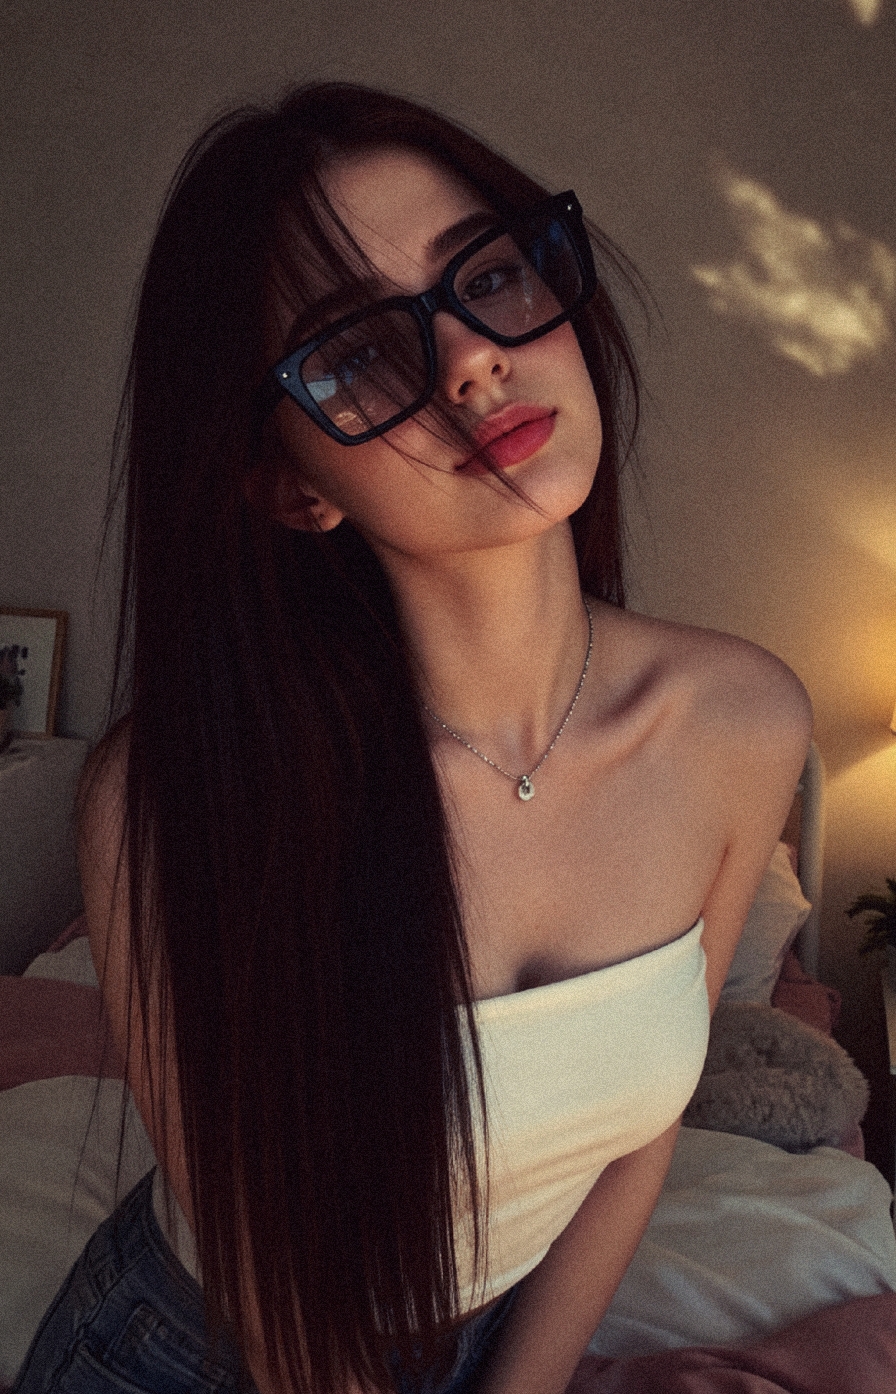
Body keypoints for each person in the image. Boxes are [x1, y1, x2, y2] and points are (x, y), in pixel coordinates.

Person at [14, 83, 812, 1394]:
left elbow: (639, 1140)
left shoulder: (742, 721)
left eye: (487, 277)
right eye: (356, 352)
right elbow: (267, 1271)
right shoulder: (174, 792)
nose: (468, 360)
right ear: (290, 483)